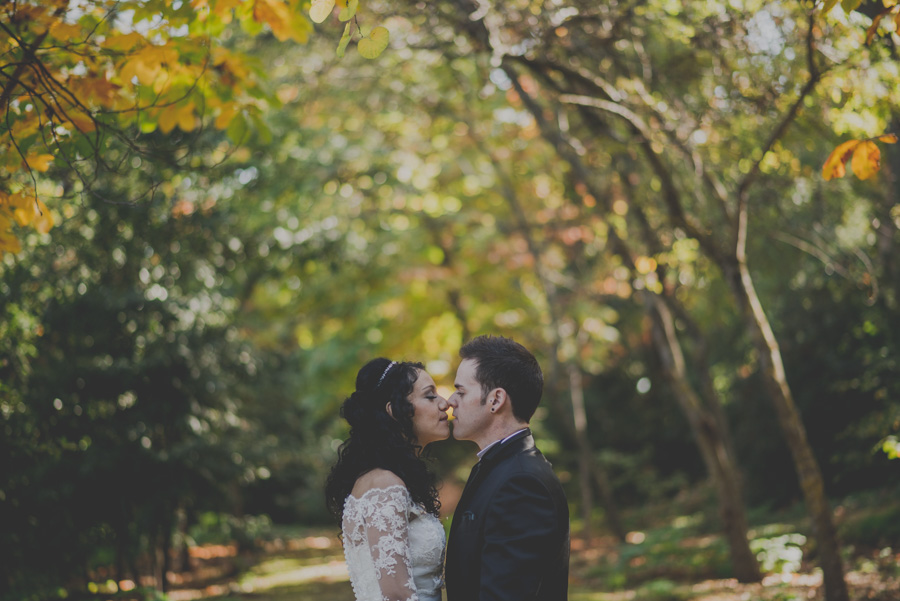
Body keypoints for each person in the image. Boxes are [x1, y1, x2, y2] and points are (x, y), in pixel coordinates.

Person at [445, 335, 570, 601]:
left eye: (461, 391)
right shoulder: (500, 468)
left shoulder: (522, 483)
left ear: (495, 400)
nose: (450, 401)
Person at [325, 358, 451, 601]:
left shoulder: (390, 479)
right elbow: (396, 595)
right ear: (394, 410)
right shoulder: (384, 485)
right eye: (430, 396)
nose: (444, 403)